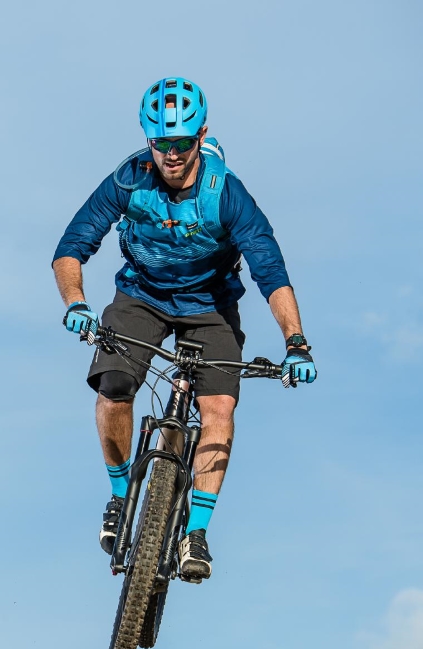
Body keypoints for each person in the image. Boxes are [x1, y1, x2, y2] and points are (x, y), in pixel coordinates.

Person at [52, 77, 316, 580]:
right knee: (114, 384)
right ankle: (118, 493)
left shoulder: (226, 194)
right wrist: (77, 302)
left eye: (182, 143)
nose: (171, 156)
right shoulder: (129, 179)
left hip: (210, 305)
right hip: (141, 296)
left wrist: (295, 342)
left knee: (218, 406)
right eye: (160, 144)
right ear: (148, 141)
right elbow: (71, 246)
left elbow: (271, 270)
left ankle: (195, 533)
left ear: (202, 136)